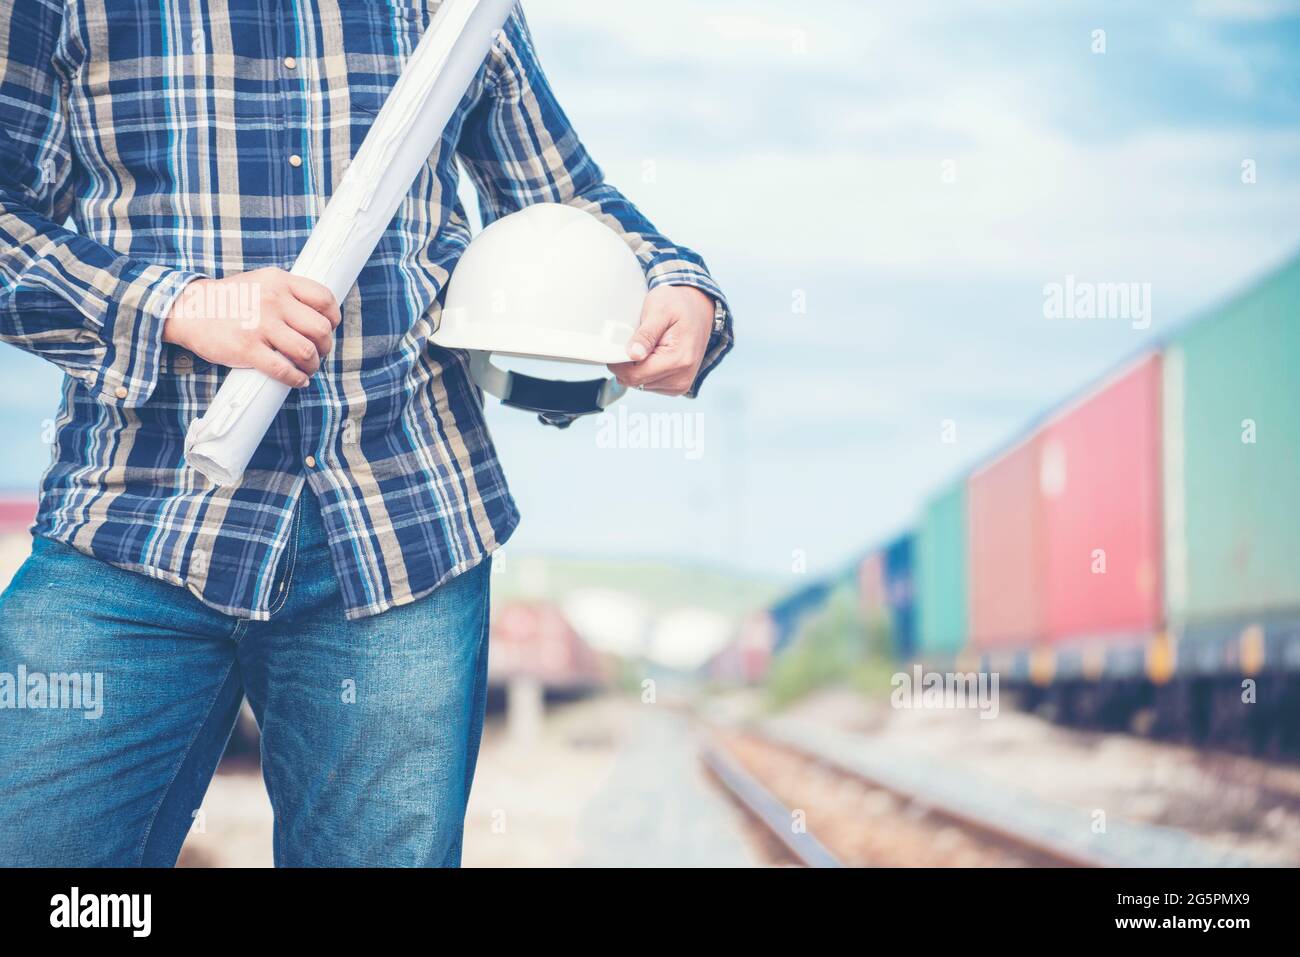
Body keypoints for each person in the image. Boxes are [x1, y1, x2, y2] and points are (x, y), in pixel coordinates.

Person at [0, 0, 732, 867]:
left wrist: (678, 285)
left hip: (403, 527)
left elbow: (563, 197)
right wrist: (175, 306)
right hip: (134, 524)